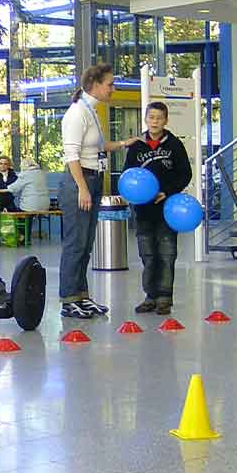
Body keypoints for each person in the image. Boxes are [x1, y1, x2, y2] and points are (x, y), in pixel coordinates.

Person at [59, 62, 142, 319]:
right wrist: (82, 188)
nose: (113, 89)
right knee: (75, 243)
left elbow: (98, 146)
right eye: (110, 84)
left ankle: (81, 296)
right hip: (79, 181)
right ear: (94, 85)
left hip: (92, 180)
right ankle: (68, 298)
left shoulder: (91, 110)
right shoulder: (77, 113)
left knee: (86, 243)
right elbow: (72, 155)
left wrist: (124, 143)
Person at [123, 102, 192, 315]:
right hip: (143, 211)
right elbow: (128, 175)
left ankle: (164, 298)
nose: (155, 122)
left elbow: (185, 174)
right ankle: (150, 296)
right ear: (145, 119)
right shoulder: (136, 146)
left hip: (167, 209)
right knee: (148, 255)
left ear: (166, 121)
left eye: (159, 118)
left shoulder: (174, 145)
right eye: (151, 117)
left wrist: (167, 191)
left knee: (167, 253)